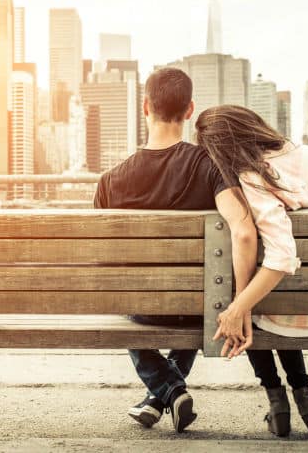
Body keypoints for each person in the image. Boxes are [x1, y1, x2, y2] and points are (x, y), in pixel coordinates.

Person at [93, 69, 257, 433]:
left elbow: (102, 264)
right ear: (189, 110)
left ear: (145, 108)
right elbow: (244, 232)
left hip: (142, 311)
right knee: (200, 294)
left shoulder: (109, 181)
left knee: (127, 298)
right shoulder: (210, 166)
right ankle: (166, 392)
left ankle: (164, 391)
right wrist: (240, 304)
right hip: (196, 306)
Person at [195, 104, 308, 438]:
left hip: (290, 311)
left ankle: (278, 403)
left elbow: (282, 257)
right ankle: (306, 400)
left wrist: (238, 306)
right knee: (262, 302)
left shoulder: (254, 176)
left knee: (249, 310)